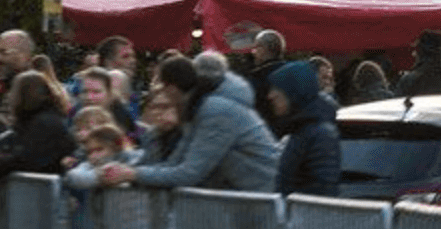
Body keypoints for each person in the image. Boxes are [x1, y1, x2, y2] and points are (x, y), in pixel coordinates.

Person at [97, 54, 277, 194]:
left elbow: (189, 173)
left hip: (260, 201)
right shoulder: (199, 107)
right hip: (246, 199)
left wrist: (131, 174)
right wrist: (128, 171)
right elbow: (175, 162)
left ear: (172, 88)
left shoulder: (215, 111)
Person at [267, 59, 340, 197]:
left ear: (293, 92)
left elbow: (322, 191)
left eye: (277, 89)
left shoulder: (318, 134)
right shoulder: (300, 130)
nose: (271, 95)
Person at [398, 30, 441, 97]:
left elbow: (398, 104)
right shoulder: (409, 79)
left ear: (420, 52)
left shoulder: (409, 80)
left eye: (416, 50)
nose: (413, 54)